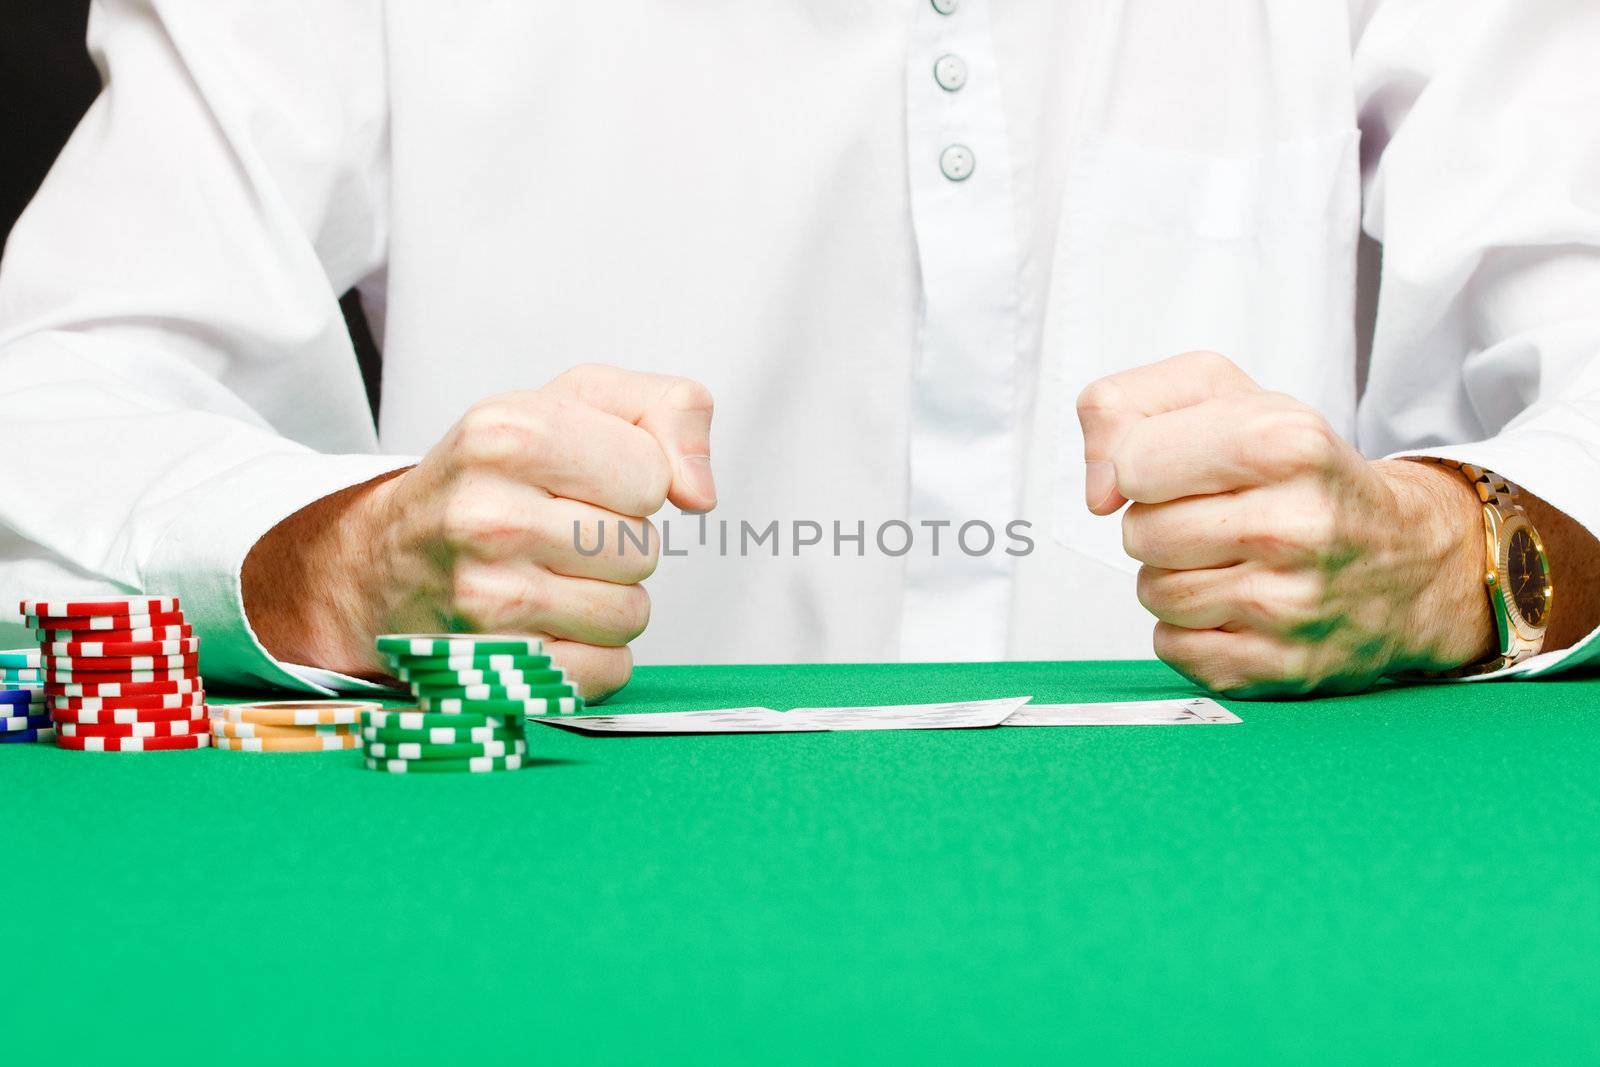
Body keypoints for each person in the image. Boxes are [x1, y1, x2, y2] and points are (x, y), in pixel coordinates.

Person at [1, 1, 1596, 699]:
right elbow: (48, 424)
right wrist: (336, 566)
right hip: (524, 951)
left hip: (1283, 950)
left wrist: (1460, 555)